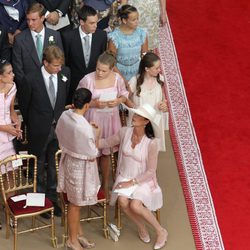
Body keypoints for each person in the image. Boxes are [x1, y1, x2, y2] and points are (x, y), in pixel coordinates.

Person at [98, 104, 168, 250]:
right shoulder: (124, 132)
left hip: (142, 180)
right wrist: (91, 136)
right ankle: (141, 227)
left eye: (138, 116)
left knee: (135, 205)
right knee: (123, 202)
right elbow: (105, 143)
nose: (134, 117)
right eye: (135, 114)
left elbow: (151, 171)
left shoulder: (152, 143)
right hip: (124, 176)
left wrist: (132, 182)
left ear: (146, 121)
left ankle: (161, 231)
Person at [18, 46, 70, 218]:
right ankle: (40, 200)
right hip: (38, 130)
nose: (59, 69)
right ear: (45, 62)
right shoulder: (30, 78)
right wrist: (34, 124)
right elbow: (25, 106)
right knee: (38, 166)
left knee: (55, 165)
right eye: (55, 66)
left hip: (59, 129)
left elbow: (64, 100)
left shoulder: (65, 75)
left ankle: (53, 199)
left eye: (60, 65)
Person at [78, 51, 129, 197]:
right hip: (93, 120)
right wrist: (94, 103)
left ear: (112, 69)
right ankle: (93, 185)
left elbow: (125, 94)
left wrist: (118, 101)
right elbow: (79, 101)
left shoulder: (117, 79)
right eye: (98, 69)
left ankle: (105, 184)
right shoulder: (87, 80)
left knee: (106, 154)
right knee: (93, 154)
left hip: (111, 119)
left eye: (104, 70)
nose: (99, 73)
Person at [56, 88, 100, 250]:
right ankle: (72, 240)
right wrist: (97, 133)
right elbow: (93, 153)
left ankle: (78, 235)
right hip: (80, 168)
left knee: (75, 203)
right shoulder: (86, 129)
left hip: (68, 160)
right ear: (87, 105)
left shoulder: (64, 114)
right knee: (75, 204)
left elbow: (60, 133)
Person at [62, 5, 107, 104]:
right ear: (82, 22)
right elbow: (65, 62)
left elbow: (102, 59)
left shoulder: (102, 36)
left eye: (96, 22)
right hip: (74, 85)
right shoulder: (67, 37)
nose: (95, 25)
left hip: (95, 84)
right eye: (92, 23)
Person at [12, 3, 63, 88]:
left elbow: (60, 62)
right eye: (28, 20)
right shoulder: (19, 39)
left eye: (33, 19)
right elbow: (18, 68)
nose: (30, 23)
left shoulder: (55, 36)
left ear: (42, 18)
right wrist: (26, 87)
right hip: (29, 87)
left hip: (51, 85)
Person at [128, 52, 168, 151]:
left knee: (152, 149)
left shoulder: (160, 79)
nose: (159, 70)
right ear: (146, 69)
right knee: (139, 149)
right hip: (140, 121)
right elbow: (125, 98)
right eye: (156, 68)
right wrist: (136, 108)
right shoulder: (135, 81)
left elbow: (162, 97)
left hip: (155, 119)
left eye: (160, 67)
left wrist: (164, 104)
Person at [0, 59, 22, 229]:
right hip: (2, 131)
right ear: (1, 76)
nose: (13, 75)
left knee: (11, 173)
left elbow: (11, 111)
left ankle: (11, 212)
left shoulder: (13, 86)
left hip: (8, 137)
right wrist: (6, 128)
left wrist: (17, 123)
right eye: (9, 73)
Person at [108, 4, 148, 84]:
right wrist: (123, 81)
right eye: (134, 20)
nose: (137, 21)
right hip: (119, 74)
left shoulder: (142, 34)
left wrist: (142, 75)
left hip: (138, 72)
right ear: (124, 20)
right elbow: (111, 62)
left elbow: (145, 55)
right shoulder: (114, 37)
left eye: (137, 18)